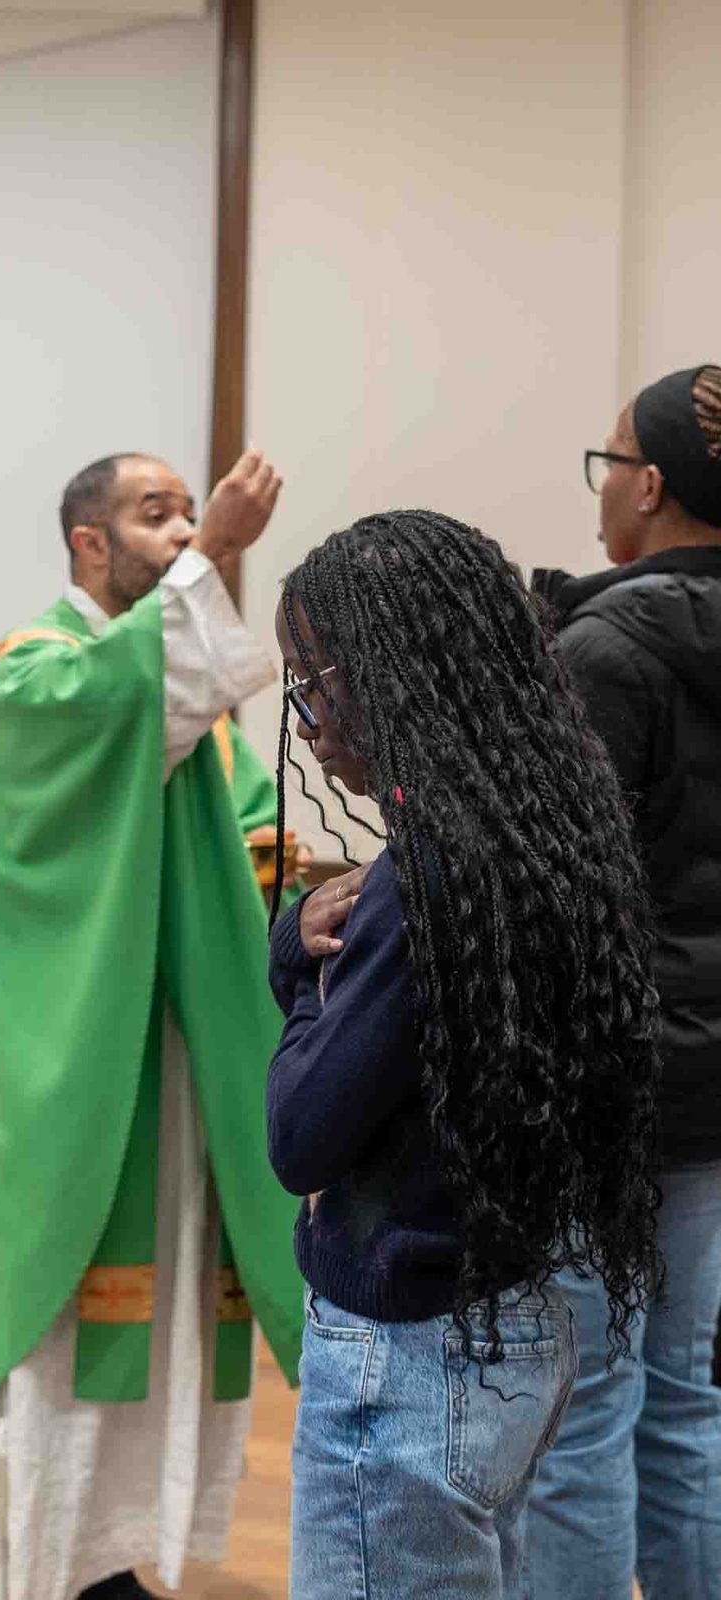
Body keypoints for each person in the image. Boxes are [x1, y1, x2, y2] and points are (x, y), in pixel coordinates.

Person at [0, 449, 307, 1600]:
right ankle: (36, 1553)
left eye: (190, 510)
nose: (183, 527)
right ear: (88, 543)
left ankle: (115, 1546)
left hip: (177, 1053)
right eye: (157, 515)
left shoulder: (182, 708)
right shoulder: (29, 676)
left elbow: (241, 827)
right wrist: (220, 551)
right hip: (77, 1059)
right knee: (65, 1300)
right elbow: (119, 704)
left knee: (171, 1298)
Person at [267, 509, 663, 1599]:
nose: (303, 721)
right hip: (514, 1315)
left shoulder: (424, 881)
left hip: (406, 1359)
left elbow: (302, 1138)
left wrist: (301, 975)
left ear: (387, 673)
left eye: (313, 681)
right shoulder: (549, 829)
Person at [525, 367, 721, 1597]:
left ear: (647, 484)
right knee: (687, 1392)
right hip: (713, 1074)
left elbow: (558, 889)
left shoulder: (604, 646)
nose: (602, 486)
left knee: (577, 1410)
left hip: (607, 1073)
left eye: (608, 462)